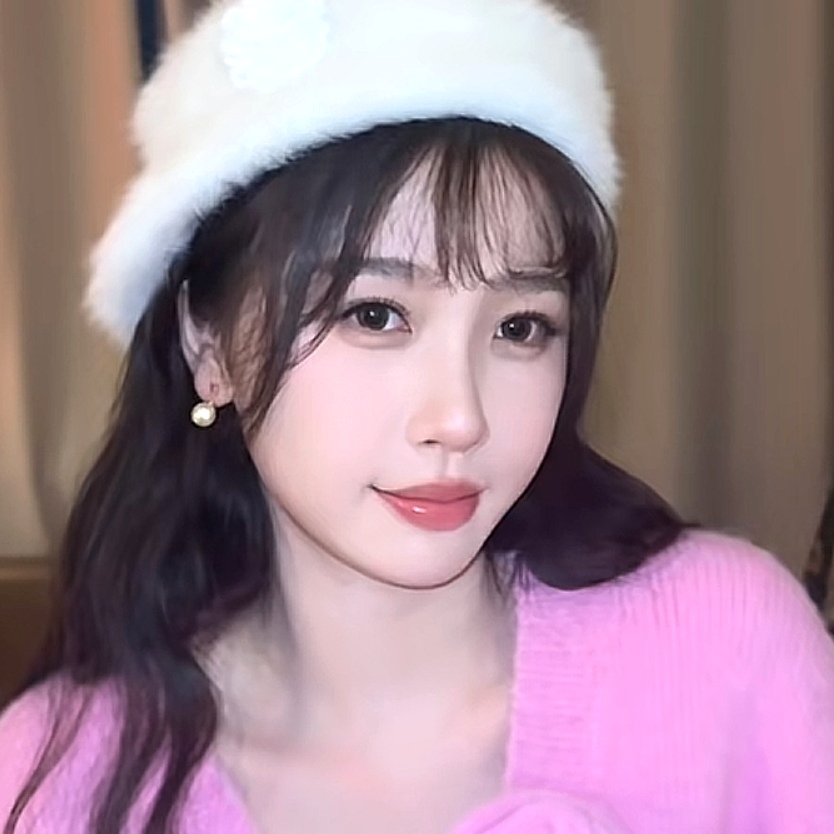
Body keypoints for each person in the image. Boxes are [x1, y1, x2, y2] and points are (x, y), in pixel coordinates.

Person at [2, 0, 833, 832]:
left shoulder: (729, 650)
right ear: (209, 345)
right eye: (376, 315)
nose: (460, 418)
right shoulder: (52, 784)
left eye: (520, 328)